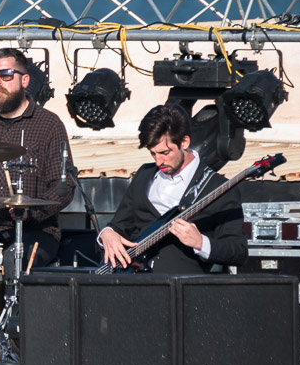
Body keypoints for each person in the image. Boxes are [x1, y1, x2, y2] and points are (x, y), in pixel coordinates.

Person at [0, 48, 74, 270]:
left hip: (35, 231)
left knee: (14, 260)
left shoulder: (49, 124)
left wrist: (33, 211)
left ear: (24, 80)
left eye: (6, 75)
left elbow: (64, 185)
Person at [99, 103, 248, 273]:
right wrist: (107, 233)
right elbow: (119, 225)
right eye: (153, 153)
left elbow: (239, 252)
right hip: (135, 282)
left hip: (183, 286)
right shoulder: (144, 174)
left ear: (184, 142)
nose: (158, 161)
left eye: (165, 153)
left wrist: (200, 243)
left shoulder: (219, 188)